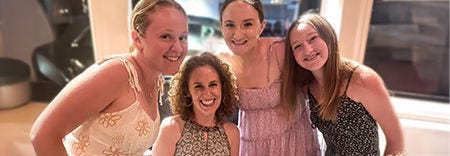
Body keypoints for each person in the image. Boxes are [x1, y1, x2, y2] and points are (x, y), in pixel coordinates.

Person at [29, 0, 188, 155]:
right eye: (166, 36)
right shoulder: (117, 73)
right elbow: (42, 136)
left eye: (183, 37)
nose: (178, 47)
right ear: (138, 39)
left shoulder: (155, 79)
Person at [282, 12, 406, 155]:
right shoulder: (307, 86)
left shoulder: (362, 80)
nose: (307, 49)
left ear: (328, 37)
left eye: (313, 38)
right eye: (297, 46)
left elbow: (396, 143)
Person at [219, 0, 321, 155]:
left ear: (262, 26)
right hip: (251, 146)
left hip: (293, 143)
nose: (237, 34)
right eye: (230, 25)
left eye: (247, 24)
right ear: (221, 27)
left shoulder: (280, 50)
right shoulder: (222, 63)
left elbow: (317, 77)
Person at [151, 52, 240, 156]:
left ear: (222, 88)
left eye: (213, 85)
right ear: (187, 91)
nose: (207, 93)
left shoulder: (232, 133)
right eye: (198, 86)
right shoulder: (171, 128)